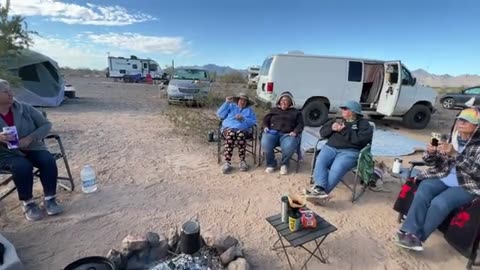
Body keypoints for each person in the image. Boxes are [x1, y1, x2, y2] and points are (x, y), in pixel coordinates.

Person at [396, 107, 480, 251]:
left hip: (466, 184)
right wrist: (430, 153)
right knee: (424, 189)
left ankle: (417, 237)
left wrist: (455, 154)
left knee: (440, 202)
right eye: (460, 119)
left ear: (477, 126)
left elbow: (476, 173)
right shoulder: (449, 138)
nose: (461, 122)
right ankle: (409, 230)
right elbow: (431, 162)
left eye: (467, 121)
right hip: (443, 175)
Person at [0, 79, 62, 221]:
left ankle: (50, 199)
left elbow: (46, 125)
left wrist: (30, 138)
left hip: (31, 147)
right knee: (22, 166)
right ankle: (28, 203)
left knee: (47, 160)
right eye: (5, 92)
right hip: (5, 154)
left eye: (10, 91)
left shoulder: (24, 108)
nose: (11, 94)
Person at [306, 100, 373, 200]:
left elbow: (361, 140)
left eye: (345, 109)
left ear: (353, 111)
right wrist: (331, 129)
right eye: (342, 108)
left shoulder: (363, 124)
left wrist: (344, 130)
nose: (342, 110)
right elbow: (322, 133)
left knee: (337, 167)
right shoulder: (337, 120)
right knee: (320, 161)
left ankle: (320, 191)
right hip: (330, 147)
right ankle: (319, 190)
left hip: (350, 151)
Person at [261, 91, 304, 175]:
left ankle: (284, 164)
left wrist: (295, 132)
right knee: (265, 144)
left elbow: (300, 124)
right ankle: (271, 163)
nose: (283, 102)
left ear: (290, 102)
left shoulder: (296, 112)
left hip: (288, 134)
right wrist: (265, 126)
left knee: (289, 147)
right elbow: (265, 120)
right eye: (282, 100)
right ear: (279, 102)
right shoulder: (274, 110)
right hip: (272, 133)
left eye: (286, 100)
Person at [216, 93, 257, 174]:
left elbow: (253, 122)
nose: (242, 102)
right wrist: (226, 103)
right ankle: (227, 162)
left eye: (245, 101)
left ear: (247, 103)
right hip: (228, 129)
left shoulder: (249, 111)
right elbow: (219, 114)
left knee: (240, 134)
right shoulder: (231, 106)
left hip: (243, 130)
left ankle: (242, 161)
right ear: (237, 100)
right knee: (231, 133)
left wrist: (243, 119)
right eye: (241, 100)